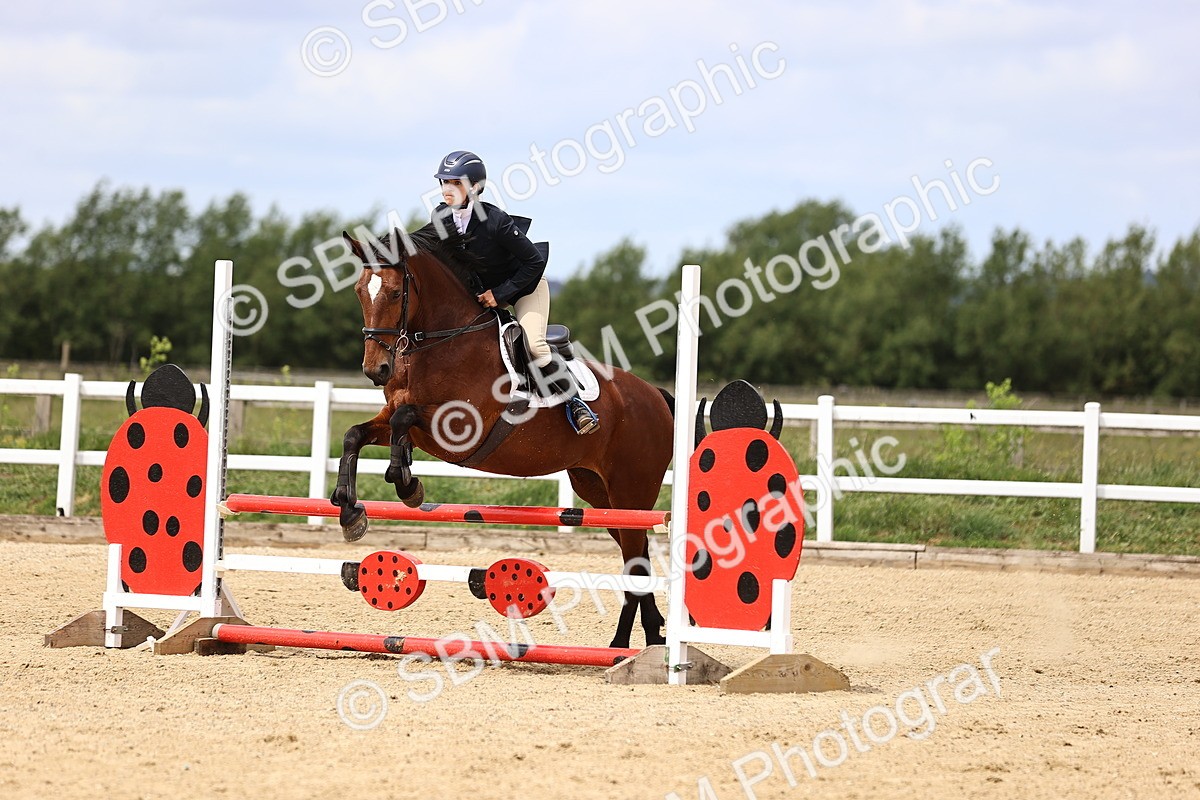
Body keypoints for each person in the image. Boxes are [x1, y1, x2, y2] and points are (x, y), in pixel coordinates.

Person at [431, 150, 599, 435]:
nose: (447, 189)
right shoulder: (440, 217)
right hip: (483, 292)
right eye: (444, 182)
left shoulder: (495, 221)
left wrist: (500, 294)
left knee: (534, 344)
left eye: (455, 183)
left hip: (524, 287)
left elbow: (533, 262)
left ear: (474, 187)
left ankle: (577, 404)